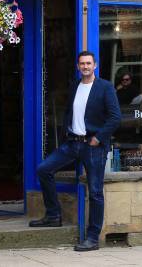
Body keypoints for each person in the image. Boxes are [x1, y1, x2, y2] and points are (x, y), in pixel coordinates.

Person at [29, 51, 121, 252]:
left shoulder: (105, 88)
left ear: (94, 65)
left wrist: (98, 138)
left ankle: (92, 238)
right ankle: (53, 215)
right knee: (44, 170)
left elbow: (115, 117)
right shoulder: (75, 87)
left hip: (92, 145)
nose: (85, 67)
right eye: (82, 64)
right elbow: (69, 113)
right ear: (78, 66)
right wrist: (65, 134)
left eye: (88, 63)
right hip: (72, 143)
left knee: (95, 191)